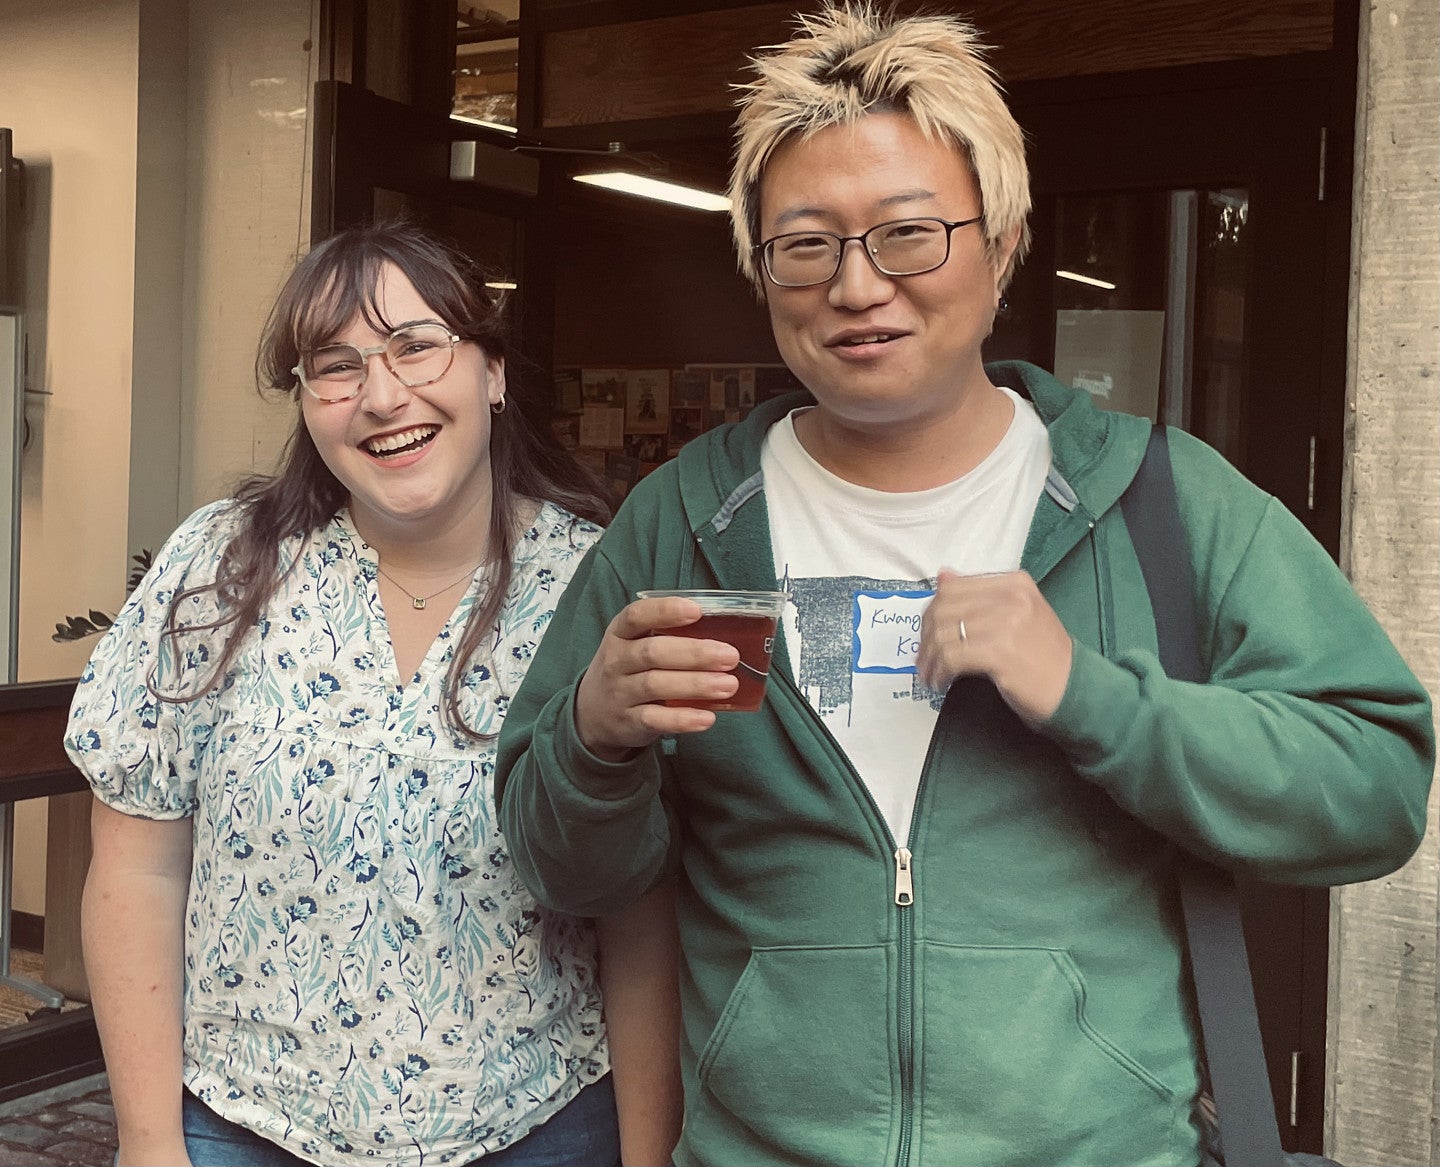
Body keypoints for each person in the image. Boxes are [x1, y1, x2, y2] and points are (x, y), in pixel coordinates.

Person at [494, 5, 1436, 1166]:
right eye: (806, 243)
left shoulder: (1160, 501)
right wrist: (595, 737)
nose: (855, 284)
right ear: (761, 268)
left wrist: (1089, 694)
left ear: (1001, 245)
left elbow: (1378, 786)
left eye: (907, 233)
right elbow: (561, 867)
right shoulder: (683, 522)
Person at [67, 221, 680, 1167]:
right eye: (336, 365)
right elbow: (137, 871)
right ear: (308, 401)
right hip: (244, 1124)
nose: (383, 394)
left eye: (417, 344)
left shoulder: (591, 588)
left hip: (537, 1124)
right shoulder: (222, 569)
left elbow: (638, 907)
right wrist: (149, 1141)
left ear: (494, 370)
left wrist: (649, 1156)